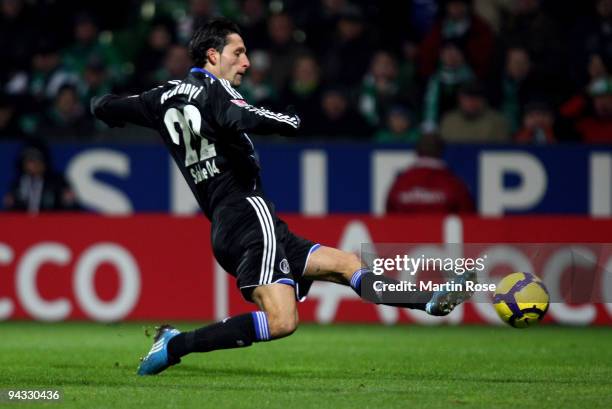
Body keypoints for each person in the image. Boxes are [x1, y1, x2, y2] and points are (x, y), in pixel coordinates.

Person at [90, 18, 473, 376]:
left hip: (233, 222)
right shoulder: (215, 90)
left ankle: (428, 301)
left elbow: (105, 105)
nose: (245, 62)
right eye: (237, 52)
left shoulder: (162, 97)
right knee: (282, 321)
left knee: (344, 263)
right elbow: (240, 117)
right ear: (213, 56)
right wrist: (291, 120)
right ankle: (176, 346)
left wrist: (106, 108)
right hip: (249, 214)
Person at [386, 133, 475, 213]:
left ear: (417, 151)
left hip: (407, 231)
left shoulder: (400, 183)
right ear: (441, 151)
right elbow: (468, 217)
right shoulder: (454, 183)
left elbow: (389, 216)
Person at [3, 139, 79, 212]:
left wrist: (68, 202)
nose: (32, 164)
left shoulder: (57, 182)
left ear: (44, 162)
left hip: (51, 223)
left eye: (36, 159)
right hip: (23, 224)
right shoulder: (18, 183)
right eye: (28, 160)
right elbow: (12, 210)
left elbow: (70, 210)